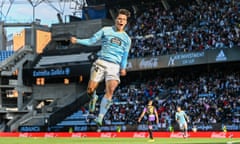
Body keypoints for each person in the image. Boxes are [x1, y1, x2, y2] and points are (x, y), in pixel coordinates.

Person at [71, 9, 131, 126]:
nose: (121, 21)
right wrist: (77, 40)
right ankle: (93, 97)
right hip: (101, 61)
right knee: (90, 89)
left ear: (126, 22)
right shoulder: (105, 30)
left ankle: (100, 117)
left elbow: (125, 56)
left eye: (123, 19)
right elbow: (91, 41)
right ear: (115, 20)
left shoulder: (127, 39)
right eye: (119, 18)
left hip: (114, 66)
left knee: (111, 89)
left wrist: (123, 68)